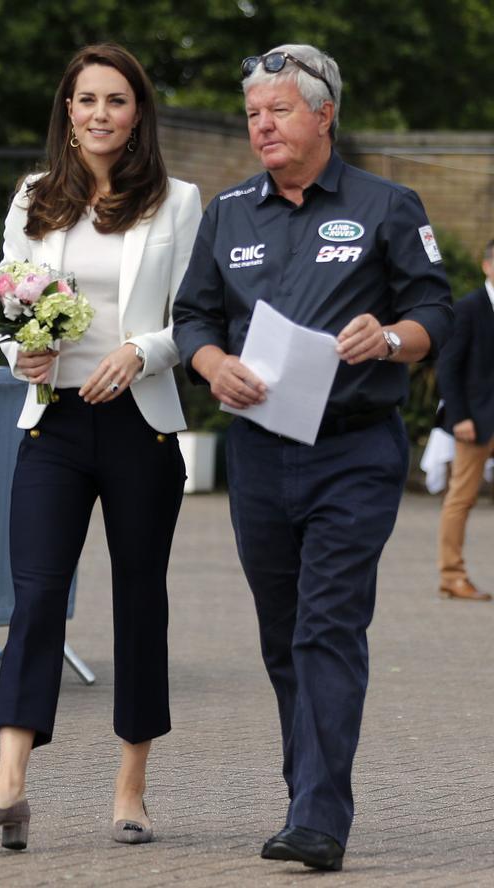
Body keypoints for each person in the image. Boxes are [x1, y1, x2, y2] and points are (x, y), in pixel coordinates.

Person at [172, 44, 453, 871]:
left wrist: (392, 337)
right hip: (260, 454)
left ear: (324, 115)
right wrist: (211, 363)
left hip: (355, 452)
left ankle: (320, 817)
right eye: (253, 113)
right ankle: (309, 792)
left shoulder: (387, 204)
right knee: (281, 633)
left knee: (328, 625)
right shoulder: (227, 212)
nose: (262, 124)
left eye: (279, 110)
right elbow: (193, 316)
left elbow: (435, 309)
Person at [0, 43, 201, 851]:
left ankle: (132, 789)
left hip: (141, 423)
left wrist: (144, 351)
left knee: (139, 600)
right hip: (53, 422)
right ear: (68, 109)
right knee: (34, 598)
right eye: (87, 99)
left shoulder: (178, 201)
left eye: (117, 101)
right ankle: (9, 784)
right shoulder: (34, 196)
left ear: (139, 115)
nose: (100, 114)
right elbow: (5, 301)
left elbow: (197, 317)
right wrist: (16, 352)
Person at [435, 238, 494, 602]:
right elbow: (448, 366)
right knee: (461, 499)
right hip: (476, 421)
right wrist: (459, 417)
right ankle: (451, 575)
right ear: (486, 265)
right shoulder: (469, 308)